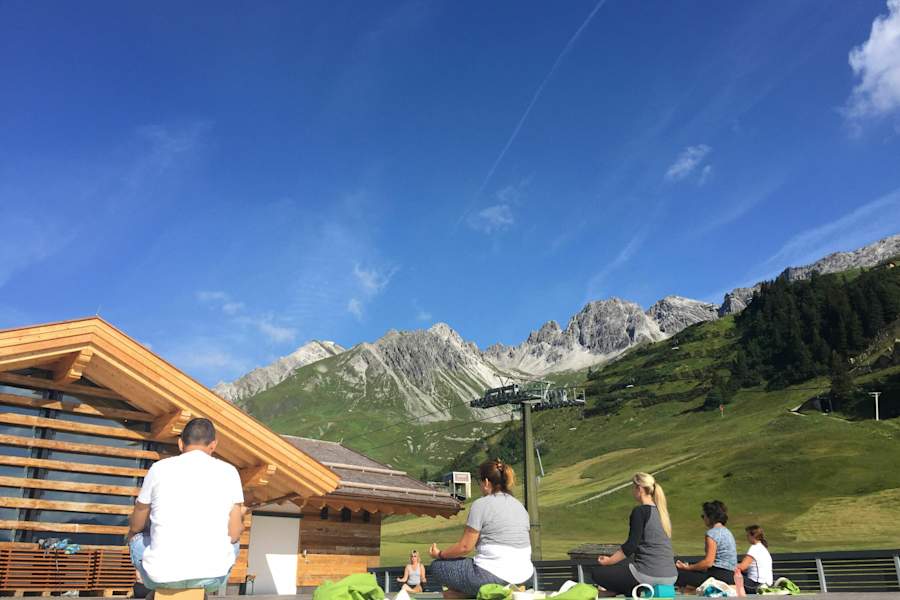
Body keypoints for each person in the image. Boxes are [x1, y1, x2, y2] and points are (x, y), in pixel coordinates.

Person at [127, 418, 246, 595]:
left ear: (180, 443)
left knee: (136, 538)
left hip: (161, 575)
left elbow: (136, 524)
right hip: (212, 576)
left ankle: (147, 582)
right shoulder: (229, 472)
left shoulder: (158, 469)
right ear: (213, 445)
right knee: (234, 544)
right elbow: (234, 533)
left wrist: (136, 533)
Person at [428, 459, 533, 598]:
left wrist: (440, 554)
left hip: (493, 577)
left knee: (437, 567)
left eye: (480, 483)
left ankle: (470, 594)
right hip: (525, 576)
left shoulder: (481, 504)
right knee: (458, 583)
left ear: (487, 482)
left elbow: (465, 547)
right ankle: (473, 594)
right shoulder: (520, 507)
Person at [590, 473, 677, 597]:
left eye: (633, 487)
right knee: (625, 571)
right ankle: (623, 590)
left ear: (639, 489)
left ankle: (619, 590)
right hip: (671, 576)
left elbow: (631, 546)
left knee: (597, 573)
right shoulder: (662, 513)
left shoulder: (640, 511)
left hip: (648, 575)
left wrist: (609, 561)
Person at [675, 500, 737, 591]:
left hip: (717, 576)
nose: (703, 518)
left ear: (710, 516)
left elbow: (708, 562)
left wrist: (688, 567)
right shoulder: (728, 532)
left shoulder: (712, 534)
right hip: (730, 576)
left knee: (678, 574)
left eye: (703, 516)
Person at [737, 525, 773, 594]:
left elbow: (742, 567)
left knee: (729, 576)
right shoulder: (762, 548)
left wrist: (728, 566)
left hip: (757, 585)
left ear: (753, 536)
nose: (746, 537)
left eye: (747, 535)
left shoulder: (754, 548)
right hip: (766, 585)